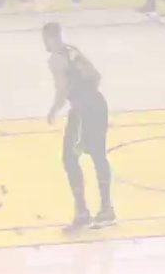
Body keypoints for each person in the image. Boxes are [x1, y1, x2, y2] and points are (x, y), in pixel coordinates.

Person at [43, 22, 115, 233]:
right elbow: (96, 76)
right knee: (98, 155)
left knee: (69, 158)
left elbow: (62, 90)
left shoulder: (55, 60)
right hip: (98, 104)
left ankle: (82, 212)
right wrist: (88, 92)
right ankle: (106, 209)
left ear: (50, 38)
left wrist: (54, 110)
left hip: (83, 111)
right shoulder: (73, 51)